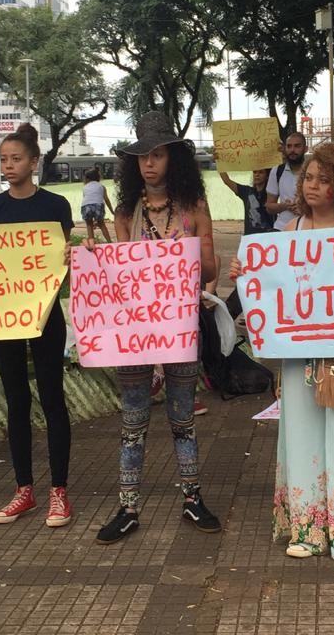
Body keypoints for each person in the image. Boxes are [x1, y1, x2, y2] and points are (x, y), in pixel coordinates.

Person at [229, 143, 334, 570]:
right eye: (309, 177)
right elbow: (269, 293)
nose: (313, 186)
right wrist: (246, 276)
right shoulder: (288, 233)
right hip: (301, 354)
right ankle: (308, 530)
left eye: (324, 179)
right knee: (303, 436)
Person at [97, 112, 221, 544]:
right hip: (134, 332)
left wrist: (197, 254)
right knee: (132, 422)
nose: (149, 164)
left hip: (180, 327)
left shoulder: (194, 209)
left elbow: (210, 270)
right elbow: (120, 270)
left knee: (182, 418)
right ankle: (127, 506)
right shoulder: (127, 211)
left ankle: (192, 498)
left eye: (158, 155)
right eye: (141, 157)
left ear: (174, 160)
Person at [0, 125, 76, 528]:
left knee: (53, 399)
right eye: (3, 159)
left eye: (16, 159)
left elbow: (59, 263)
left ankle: (59, 492)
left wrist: (69, 255)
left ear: (34, 163)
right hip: (4, 318)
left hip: (46, 316)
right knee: (16, 400)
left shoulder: (55, 205)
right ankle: (24, 490)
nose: (9, 166)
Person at [265, 131, 307, 230]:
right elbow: (269, 207)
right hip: (282, 229)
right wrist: (285, 206)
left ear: (305, 149)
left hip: (308, 230)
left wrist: (305, 208)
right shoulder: (277, 171)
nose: (292, 150)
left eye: (297, 146)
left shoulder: (314, 170)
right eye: (289, 146)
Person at [218, 164, 274, 236]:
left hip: (268, 236)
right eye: (255, 172)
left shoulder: (272, 193)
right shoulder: (247, 191)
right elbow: (227, 181)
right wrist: (219, 163)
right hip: (250, 237)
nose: (257, 175)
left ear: (267, 176)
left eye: (261, 172)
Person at [80, 168, 115, 243]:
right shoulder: (101, 186)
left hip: (85, 206)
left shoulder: (85, 187)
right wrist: (112, 211)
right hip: (98, 205)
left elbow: (86, 199)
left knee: (89, 225)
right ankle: (109, 242)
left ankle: (91, 242)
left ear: (87, 178)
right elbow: (106, 200)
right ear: (98, 177)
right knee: (102, 224)